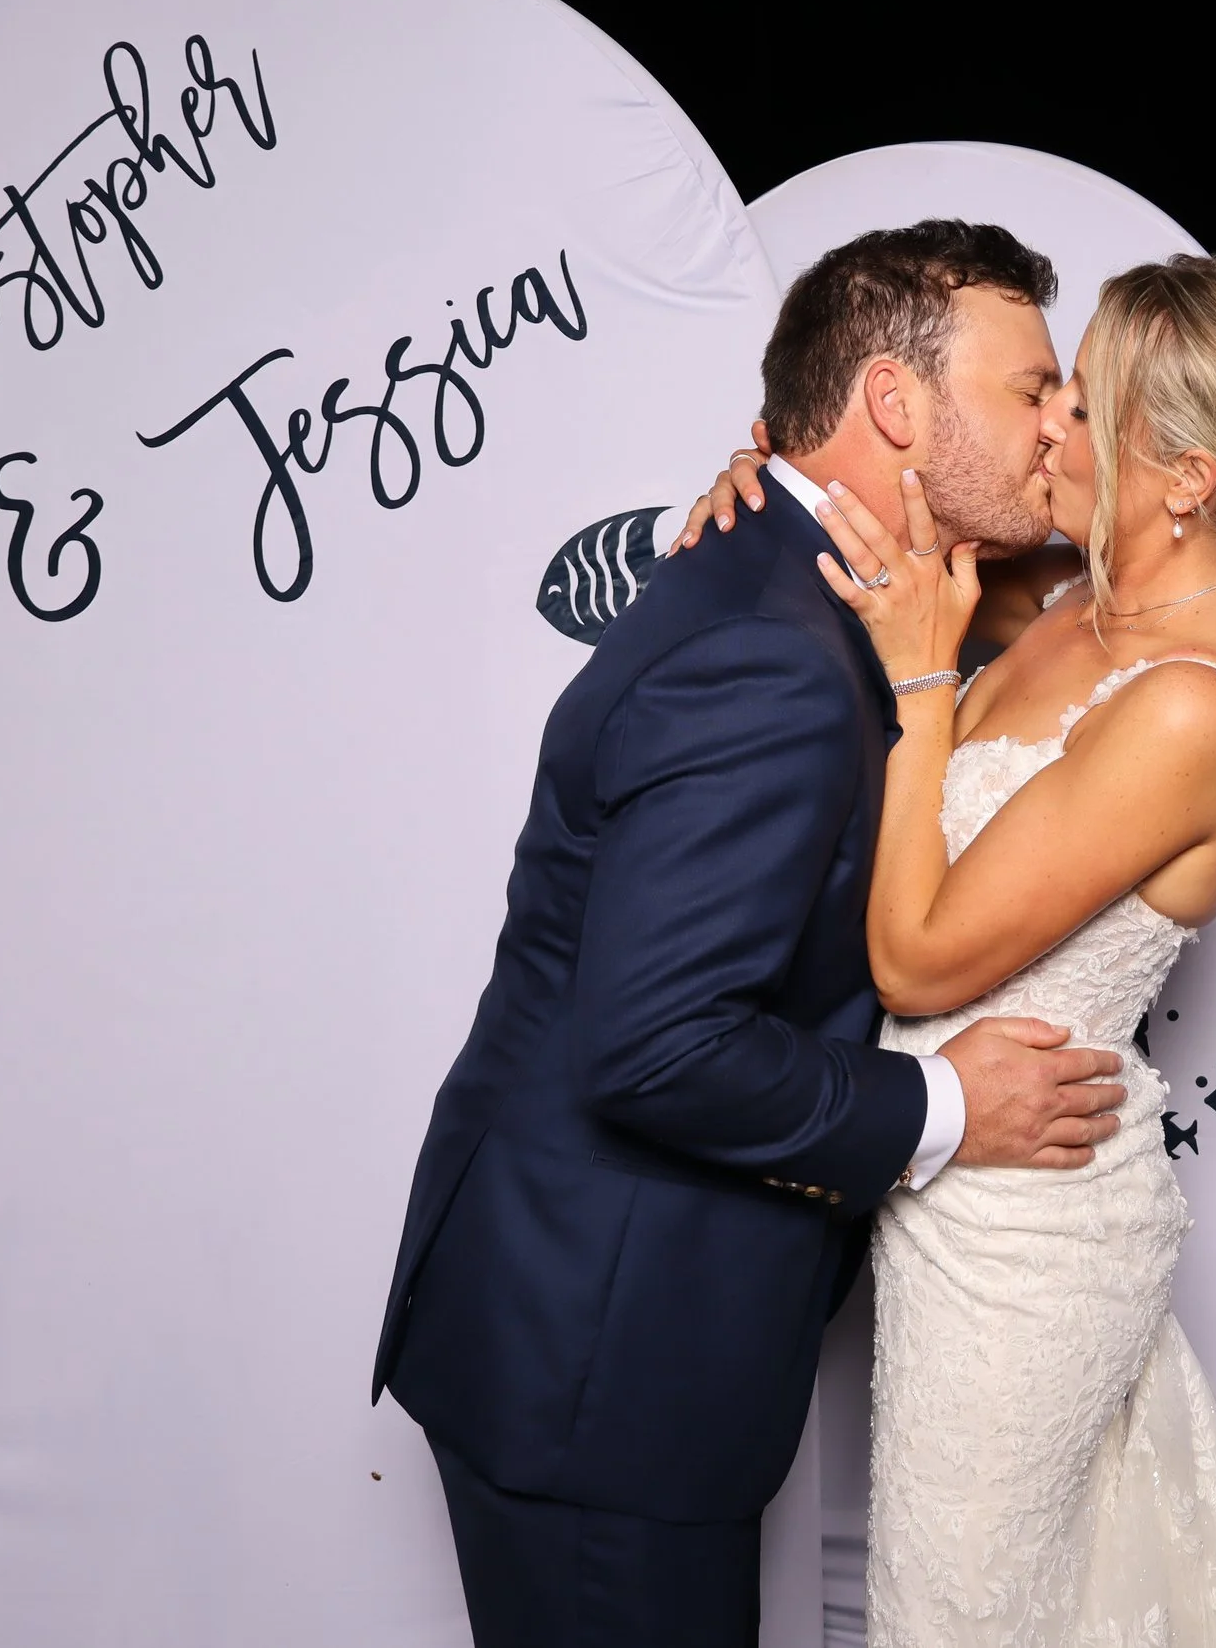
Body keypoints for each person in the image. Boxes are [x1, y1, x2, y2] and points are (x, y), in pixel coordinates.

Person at [371, 221, 1133, 1648]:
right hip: (599, 1362)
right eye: (1032, 388)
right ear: (896, 404)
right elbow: (657, 1046)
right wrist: (949, 1104)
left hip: (609, 1322)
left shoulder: (825, 576)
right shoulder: (771, 648)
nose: (1058, 423)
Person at [678, 252, 1216, 1644]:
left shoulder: (1190, 709)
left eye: (1083, 405)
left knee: (955, 1614)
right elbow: (871, 541)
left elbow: (920, 959)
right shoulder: (1068, 594)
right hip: (947, 1196)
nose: (1044, 424)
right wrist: (763, 488)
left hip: (1027, 1246)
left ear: (1190, 477)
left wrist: (925, 682)